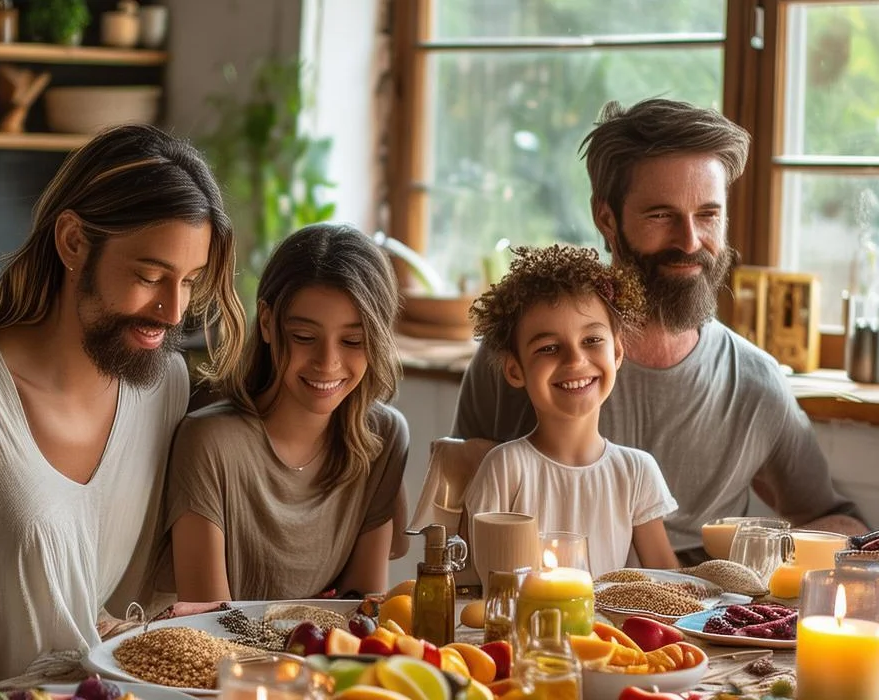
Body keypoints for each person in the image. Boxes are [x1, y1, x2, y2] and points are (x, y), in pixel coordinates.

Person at [0, 124, 245, 690]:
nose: (173, 311)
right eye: (149, 277)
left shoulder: (164, 385)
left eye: (190, 282)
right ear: (73, 241)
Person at [453, 98, 868, 565]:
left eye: (708, 215)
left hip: (692, 625)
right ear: (606, 217)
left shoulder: (755, 381)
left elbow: (833, 520)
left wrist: (763, 577)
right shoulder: (524, 354)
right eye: (661, 215)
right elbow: (458, 520)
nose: (690, 241)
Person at [165, 223, 408, 601]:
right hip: (229, 659)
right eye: (304, 338)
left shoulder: (384, 437)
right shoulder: (209, 443)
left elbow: (361, 612)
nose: (327, 362)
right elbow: (206, 627)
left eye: (353, 341)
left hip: (330, 658)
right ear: (266, 323)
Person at [463, 245, 679, 575]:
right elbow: (477, 586)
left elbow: (669, 584)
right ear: (515, 371)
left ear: (617, 353)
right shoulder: (505, 469)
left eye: (592, 341)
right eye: (549, 348)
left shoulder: (637, 472)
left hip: (608, 629)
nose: (575, 361)